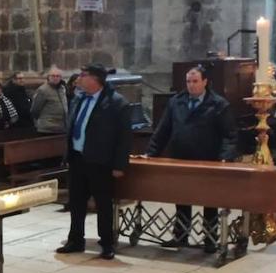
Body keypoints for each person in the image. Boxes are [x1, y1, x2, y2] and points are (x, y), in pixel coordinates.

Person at [146, 66, 238, 252]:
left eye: (195, 81)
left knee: (209, 201)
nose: (191, 85)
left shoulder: (218, 104)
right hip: (181, 158)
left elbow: (230, 135)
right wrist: (151, 154)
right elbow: (163, 130)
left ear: (205, 82)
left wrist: (225, 158)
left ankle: (210, 239)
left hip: (207, 159)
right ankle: (180, 236)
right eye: (188, 81)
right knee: (181, 198)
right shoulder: (176, 102)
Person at [56, 64, 133, 260]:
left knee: (103, 204)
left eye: (83, 75)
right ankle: (75, 240)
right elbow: (73, 127)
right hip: (78, 158)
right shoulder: (79, 99)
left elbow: (124, 137)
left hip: (101, 161)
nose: (79, 79)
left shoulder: (116, 103)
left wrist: (119, 165)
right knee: (76, 202)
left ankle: (107, 243)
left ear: (95, 79)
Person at [31, 67, 69, 135]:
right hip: (47, 129)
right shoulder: (43, 90)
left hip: (62, 127)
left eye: (58, 76)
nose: (55, 78)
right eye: (53, 76)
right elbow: (35, 109)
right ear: (48, 77)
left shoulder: (62, 89)